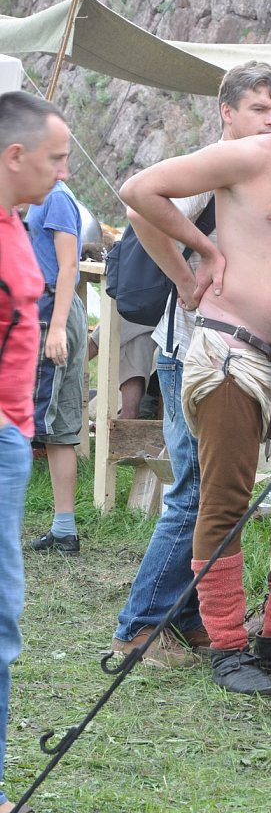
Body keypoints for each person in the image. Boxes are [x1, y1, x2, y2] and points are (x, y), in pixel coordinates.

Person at [120, 58, 271, 696]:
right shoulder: (247, 158)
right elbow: (140, 191)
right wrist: (197, 258)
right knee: (223, 499)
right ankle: (227, 646)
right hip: (232, 352)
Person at [112, 62, 271, 669]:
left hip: (236, 358)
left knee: (218, 494)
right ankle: (138, 629)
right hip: (189, 352)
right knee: (194, 494)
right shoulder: (212, 165)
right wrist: (191, 274)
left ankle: (185, 619)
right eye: (259, 109)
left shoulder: (262, 171)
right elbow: (140, 208)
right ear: (227, 112)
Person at [0, 91, 71, 813]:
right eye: (55, 158)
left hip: (13, 437)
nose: (64, 171)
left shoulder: (16, 221)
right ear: (14, 155)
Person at [27, 171, 87, 556]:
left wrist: (58, 327)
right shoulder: (39, 195)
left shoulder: (57, 198)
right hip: (47, 312)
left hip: (52, 313)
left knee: (35, 421)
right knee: (57, 427)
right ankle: (65, 530)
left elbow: (68, 267)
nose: (61, 165)